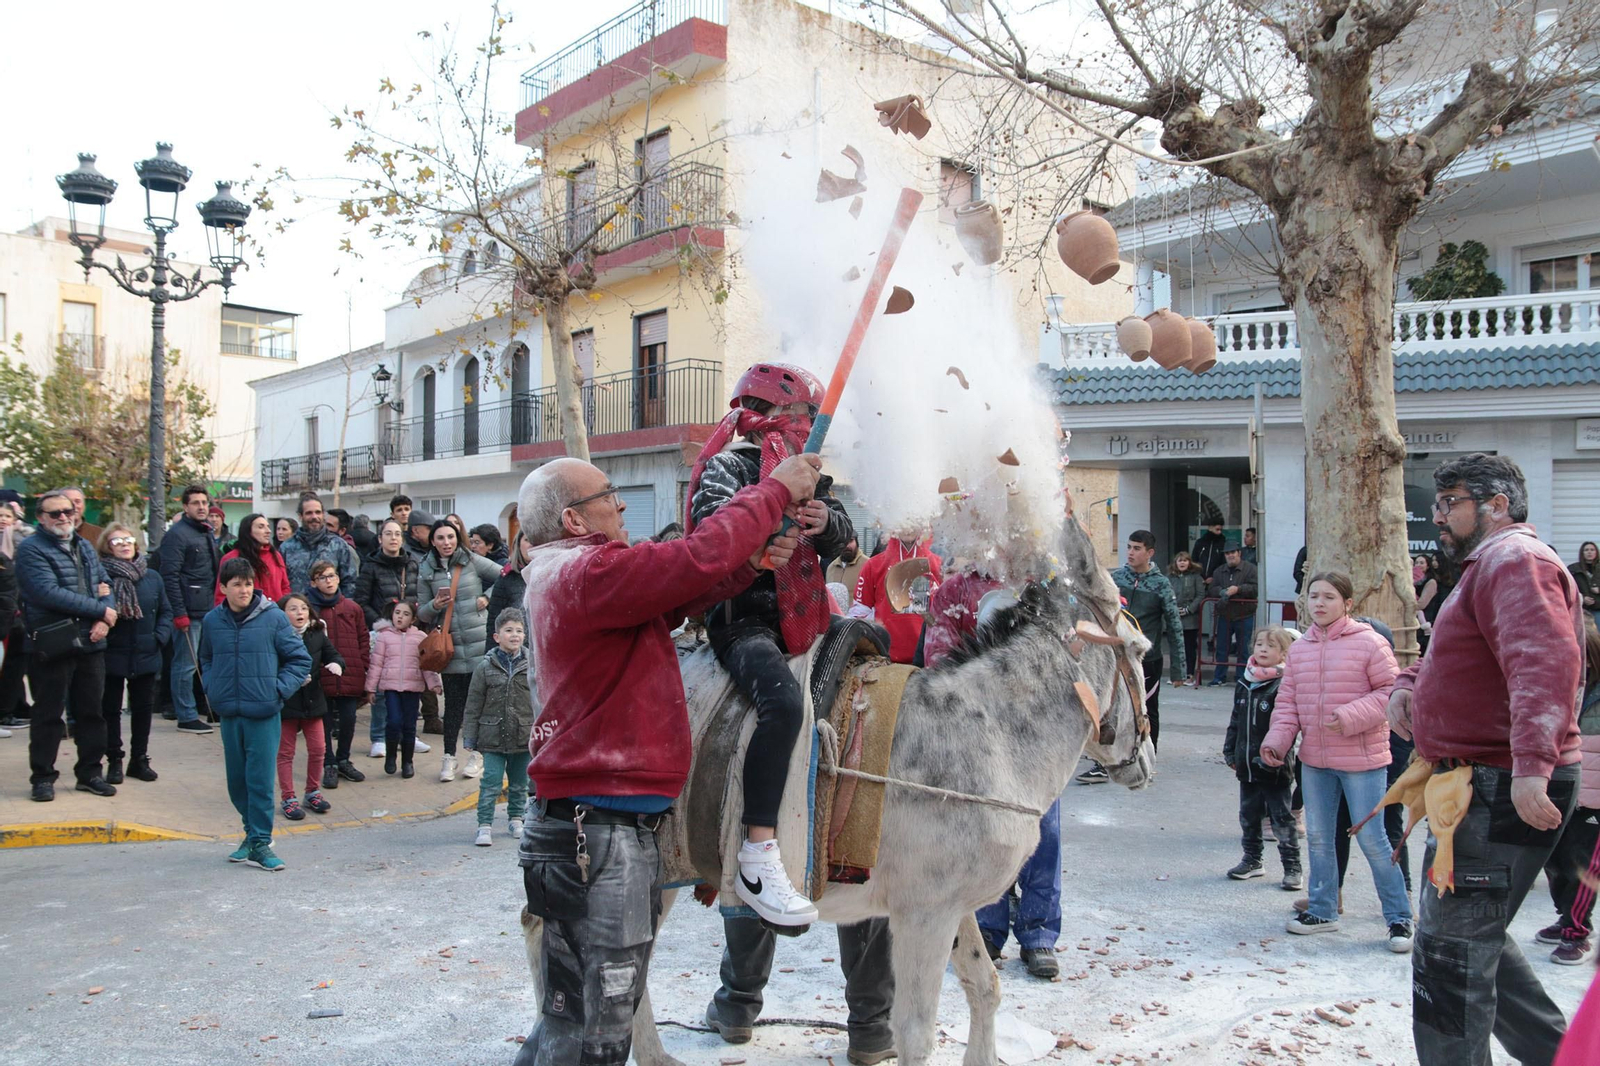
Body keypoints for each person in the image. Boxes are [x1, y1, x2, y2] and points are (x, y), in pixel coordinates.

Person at [514, 449, 816, 1065]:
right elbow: (694, 556)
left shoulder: (569, 576)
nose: (620, 505)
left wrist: (748, 565)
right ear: (575, 521)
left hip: (585, 832)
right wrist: (774, 493)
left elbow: (681, 588)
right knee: (597, 1032)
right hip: (595, 836)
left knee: (568, 1020)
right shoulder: (587, 571)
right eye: (607, 496)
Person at [1388, 453, 1584, 1065]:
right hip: (1481, 783)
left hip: (1500, 784)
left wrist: (1532, 768)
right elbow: (1464, 654)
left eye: (1450, 503)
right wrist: (1409, 684)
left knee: (1450, 959)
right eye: (1438, 504)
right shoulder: (1488, 566)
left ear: (1496, 506)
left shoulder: (1514, 560)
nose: (1438, 516)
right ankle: (1566, 1057)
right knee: (1474, 941)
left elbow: (1543, 665)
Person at [687, 361, 852, 925]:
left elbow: (848, 541)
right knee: (781, 705)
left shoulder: (811, 474)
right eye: (807, 416)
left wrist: (821, 519)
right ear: (776, 417)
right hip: (746, 619)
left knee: (876, 648)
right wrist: (769, 517)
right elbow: (711, 538)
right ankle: (758, 852)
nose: (812, 427)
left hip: (809, 616)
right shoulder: (726, 468)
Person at [1260, 572, 1409, 948]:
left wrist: (1350, 716)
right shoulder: (1300, 649)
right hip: (1315, 761)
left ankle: (1399, 918)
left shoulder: (1371, 643)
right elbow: (1288, 703)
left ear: (1348, 604)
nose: (1320, 603)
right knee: (1321, 840)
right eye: (1314, 596)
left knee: (1374, 840)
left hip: (1364, 760)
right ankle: (1323, 909)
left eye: (1329, 597)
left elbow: (1391, 693)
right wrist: (1277, 741)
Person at [200, 559, 313, 871]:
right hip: (230, 711)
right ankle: (250, 834)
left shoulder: (274, 618)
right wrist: (212, 687)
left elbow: (299, 659)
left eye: (248, 583)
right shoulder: (212, 621)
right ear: (223, 588)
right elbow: (205, 657)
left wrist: (276, 690)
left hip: (263, 711)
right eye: (237, 584)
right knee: (237, 782)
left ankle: (261, 842)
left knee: (260, 779)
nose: (244, 590)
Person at [15, 490, 118, 801]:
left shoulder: (85, 546)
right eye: (55, 513)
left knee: (91, 713)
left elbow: (106, 586)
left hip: (91, 641)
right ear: (41, 518)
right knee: (48, 715)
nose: (64, 517)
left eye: (67, 510)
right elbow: (47, 593)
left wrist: (105, 618)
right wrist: (99, 610)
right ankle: (42, 778)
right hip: (53, 642)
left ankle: (89, 774)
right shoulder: (31, 550)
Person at [1533, 613, 1600, 965]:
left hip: (1595, 801)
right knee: (1554, 862)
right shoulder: (1555, 684)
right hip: (1561, 789)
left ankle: (1578, 932)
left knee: (1583, 867)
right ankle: (1566, 920)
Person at [417, 517, 502, 782]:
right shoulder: (426, 569)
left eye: (451, 537)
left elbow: (506, 575)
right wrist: (436, 604)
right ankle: (449, 758)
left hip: (478, 646)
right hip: (449, 649)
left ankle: (477, 756)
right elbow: (420, 610)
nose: (446, 543)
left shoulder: (471, 560)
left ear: (458, 538)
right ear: (433, 541)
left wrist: (487, 597)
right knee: (453, 707)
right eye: (440, 538)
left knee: (478, 706)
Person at [1224, 626, 1302, 889]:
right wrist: (1230, 749)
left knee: (1281, 818)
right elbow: (1236, 719)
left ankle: (1292, 867)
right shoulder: (1245, 681)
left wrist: (1278, 753)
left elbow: (1289, 725)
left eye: (1270, 645)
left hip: (1274, 767)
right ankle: (1252, 860)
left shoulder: (1284, 683)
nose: (1263, 649)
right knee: (1248, 815)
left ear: (1283, 652)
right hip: (1246, 765)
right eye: (1259, 644)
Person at [98, 525, 172, 785]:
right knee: (111, 710)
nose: (124, 544)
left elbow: (166, 611)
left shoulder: (152, 576)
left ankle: (138, 759)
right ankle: (115, 760)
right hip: (112, 652)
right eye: (116, 540)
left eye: (128, 539)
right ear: (107, 546)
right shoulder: (100, 576)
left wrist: (158, 638)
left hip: (146, 652)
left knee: (142, 709)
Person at [462, 607, 535, 846]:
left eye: (519, 631)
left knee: (519, 783)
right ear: (496, 636)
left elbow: (539, 701)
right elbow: (473, 704)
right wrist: (470, 738)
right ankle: (484, 824)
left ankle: (516, 818)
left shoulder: (532, 665)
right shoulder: (484, 667)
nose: (515, 635)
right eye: (508, 630)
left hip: (523, 734)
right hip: (491, 736)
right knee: (491, 781)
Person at [1108, 530, 1184, 751]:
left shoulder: (1161, 584)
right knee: (1112, 705)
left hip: (1147, 659)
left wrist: (1179, 670)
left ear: (1150, 552)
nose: (1131, 553)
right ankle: (1108, 759)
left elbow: (1175, 627)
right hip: (1117, 654)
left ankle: (1148, 754)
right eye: (1129, 547)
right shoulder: (1118, 578)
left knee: (1147, 708)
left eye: (1137, 548)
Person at [159, 484, 221, 735]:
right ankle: (185, 715)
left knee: (206, 663)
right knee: (185, 665)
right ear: (185, 507)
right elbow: (169, 576)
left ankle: (206, 708)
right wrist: (178, 612)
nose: (201, 507)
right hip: (189, 610)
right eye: (195, 503)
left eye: (204, 502)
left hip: (207, 608)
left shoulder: (205, 531)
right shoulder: (177, 535)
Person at [275, 592, 342, 821]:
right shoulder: (277, 636)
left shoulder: (316, 635)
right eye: (293, 609)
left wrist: (335, 664)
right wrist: (289, 680)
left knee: (318, 750)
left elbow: (334, 655)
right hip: (287, 703)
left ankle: (312, 792)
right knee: (285, 753)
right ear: (282, 614)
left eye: (303, 608)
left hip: (314, 702)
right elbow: (270, 667)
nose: (299, 613)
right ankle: (288, 798)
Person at [309, 560, 369, 791]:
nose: (328, 581)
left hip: (348, 673)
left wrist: (363, 664)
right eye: (322, 577)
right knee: (323, 722)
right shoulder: (310, 609)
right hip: (321, 674)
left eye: (332, 576)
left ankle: (344, 759)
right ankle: (329, 762)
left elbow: (363, 638)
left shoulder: (352, 608)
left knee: (348, 718)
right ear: (314, 582)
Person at [364, 600, 441, 777]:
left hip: (413, 688)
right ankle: (391, 757)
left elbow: (426, 664)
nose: (400, 616)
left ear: (413, 619)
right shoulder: (384, 636)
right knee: (393, 721)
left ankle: (408, 762)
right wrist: (370, 688)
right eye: (397, 612)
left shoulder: (420, 637)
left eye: (406, 614)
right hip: (391, 687)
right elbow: (376, 664)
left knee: (409, 726)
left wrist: (434, 683)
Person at [851, 528, 942, 665]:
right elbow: (858, 616)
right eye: (904, 519)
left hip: (929, 663)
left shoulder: (940, 566)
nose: (908, 526)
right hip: (885, 662)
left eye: (914, 519)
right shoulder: (873, 566)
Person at [279, 494, 361, 595]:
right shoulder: (286, 548)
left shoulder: (338, 545)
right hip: (298, 608)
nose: (314, 517)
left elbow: (350, 582)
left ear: (323, 515)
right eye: (309, 513)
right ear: (300, 516)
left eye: (318, 512)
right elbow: (281, 583)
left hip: (330, 608)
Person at [1205, 543, 1258, 686]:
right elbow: (1212, 589)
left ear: (1239, 553)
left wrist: (1238, 589)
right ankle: (1219, 677)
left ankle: (1243, 678)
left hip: (1244, 614)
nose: (1230, 555)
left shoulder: (1251, 569)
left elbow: (1255, 588)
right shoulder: (1219, 571)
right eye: (1227, 553)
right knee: (1222, 648)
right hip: (1225, 615)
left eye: (1232, 552)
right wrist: (1222, 591)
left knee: (1244, 648)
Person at [215, 513, 290, 606]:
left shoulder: (275, 555)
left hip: (275, 613)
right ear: (248, 531)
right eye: (261, 527)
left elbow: (285, 586)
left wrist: (282, 608)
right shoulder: (232, 557)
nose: (268, 531)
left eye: (268, 527)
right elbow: (221, 594)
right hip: (244, 615)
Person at [1168, 551, 1205, 684]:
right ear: (1175, 563)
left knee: (1189, 647)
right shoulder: (1170, 578)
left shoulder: (1196, 577)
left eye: (1185, 560)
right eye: (1179, 560)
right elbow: (1166, 595)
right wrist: (1172, 609)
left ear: (1189, 562)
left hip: (1190, 620)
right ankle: (1177, 676)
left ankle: (1189, 675)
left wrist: (1189, 609)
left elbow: (1200, 595)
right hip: (1174, 618)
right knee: (1176, 647)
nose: (1182, 563)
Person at [485, 531, 531, 632]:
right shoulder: (507, 577)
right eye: (527, 540)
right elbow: (494, 621)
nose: (532, 544)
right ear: (518, 544)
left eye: (536, 540)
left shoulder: (553, 575)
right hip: (516, 644)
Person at [826, 536, 868, 608]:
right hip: (835, 617)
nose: (847, 545)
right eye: (843, 541)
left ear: (857, 542)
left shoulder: (867, 565)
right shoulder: (831, 567)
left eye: (850, 541)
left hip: (860, 617)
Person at [1411, 553, 1440, 654]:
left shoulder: (1431, 582)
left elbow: (1422, 604)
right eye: (1416, 562)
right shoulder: (1411, 580)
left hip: (1425, 624)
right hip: (1414, 623)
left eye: (1422, 562)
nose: (1418, 565)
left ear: (1428, 565)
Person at [1571, 540, 1599, 622]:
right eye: (1586, 550)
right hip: (1581, 609)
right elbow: (1569, 588)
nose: (1589, 552)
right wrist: (1583, 598)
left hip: (1598, 609)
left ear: (1596, 552)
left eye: (1592, 550)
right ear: (1582, 553)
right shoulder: (1573, 569)